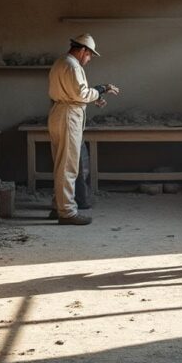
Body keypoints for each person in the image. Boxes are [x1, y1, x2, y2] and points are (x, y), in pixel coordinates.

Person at [47, 34, 119, 225]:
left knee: (61, 164)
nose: (89, 60)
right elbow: (80, 93)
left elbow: (75, 93)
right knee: (68, 167)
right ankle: (67, 212)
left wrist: (93, 96)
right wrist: (101, 89)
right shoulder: (72, 65)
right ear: (82, 50)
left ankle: (58, 206)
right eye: (90, 56)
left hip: (59, 112)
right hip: (68, 116)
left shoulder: (61, 62)